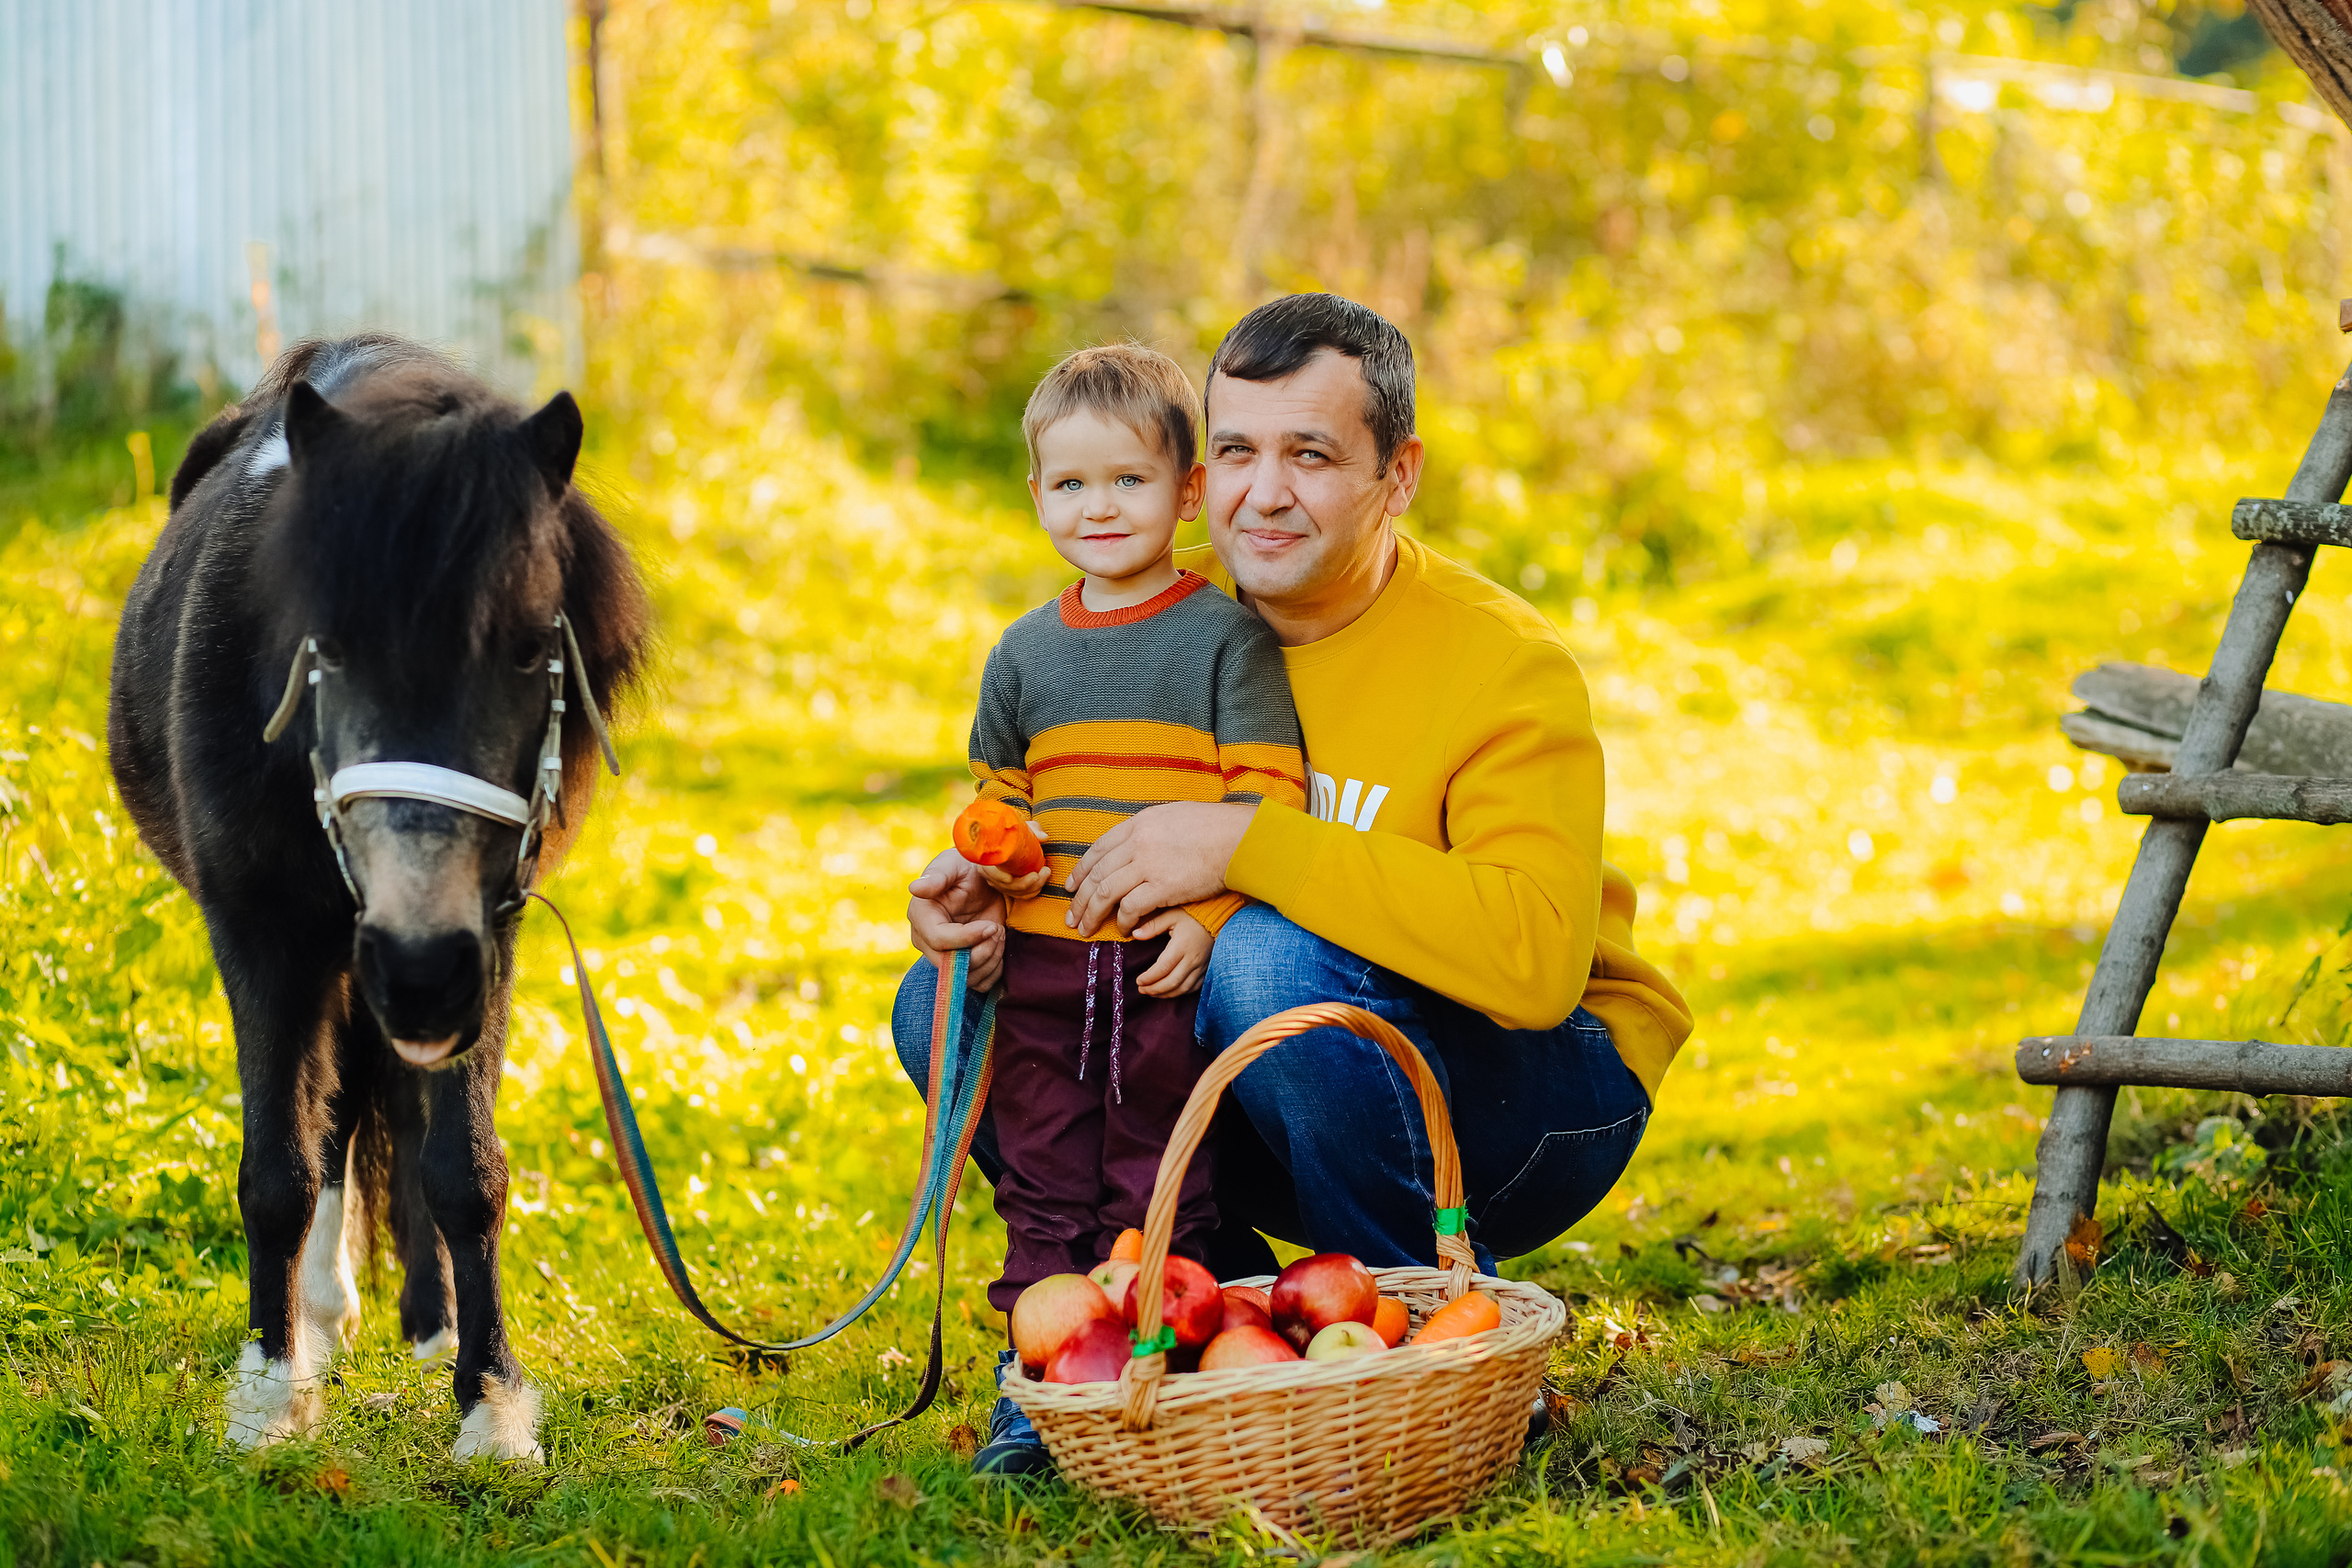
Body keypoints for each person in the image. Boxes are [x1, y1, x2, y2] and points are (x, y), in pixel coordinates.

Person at [896, 295, 1692, 1478]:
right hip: (1239, 1077)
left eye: (1310, 455)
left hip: (1527, 1100)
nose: (1261, 495)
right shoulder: (1161, 618)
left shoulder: (1497, 663)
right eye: (1235, 451)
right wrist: (987, 896)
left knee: (1269, 957)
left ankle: (1408, 1354)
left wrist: (1245, 845)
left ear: (1398, 474)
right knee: (944, 1007)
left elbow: (1531, 965)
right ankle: (1160, 1329)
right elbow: (1060, 810)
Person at [933, 343, 1306, 1476]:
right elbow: (1004, 795)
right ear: (1036, 493)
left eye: (1129, 482)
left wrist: (1216, 916)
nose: (1099, 508)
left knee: (1159, 1178)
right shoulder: (1026, 652)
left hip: (1159, 977)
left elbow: (1265, 796)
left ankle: (1162, 1377)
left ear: (1187, 492)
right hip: (1045, 973)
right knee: (1043, 1178)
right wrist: (983, 864)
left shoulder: (1223, 640)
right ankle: (1037, 1388)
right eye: (1070, 485)